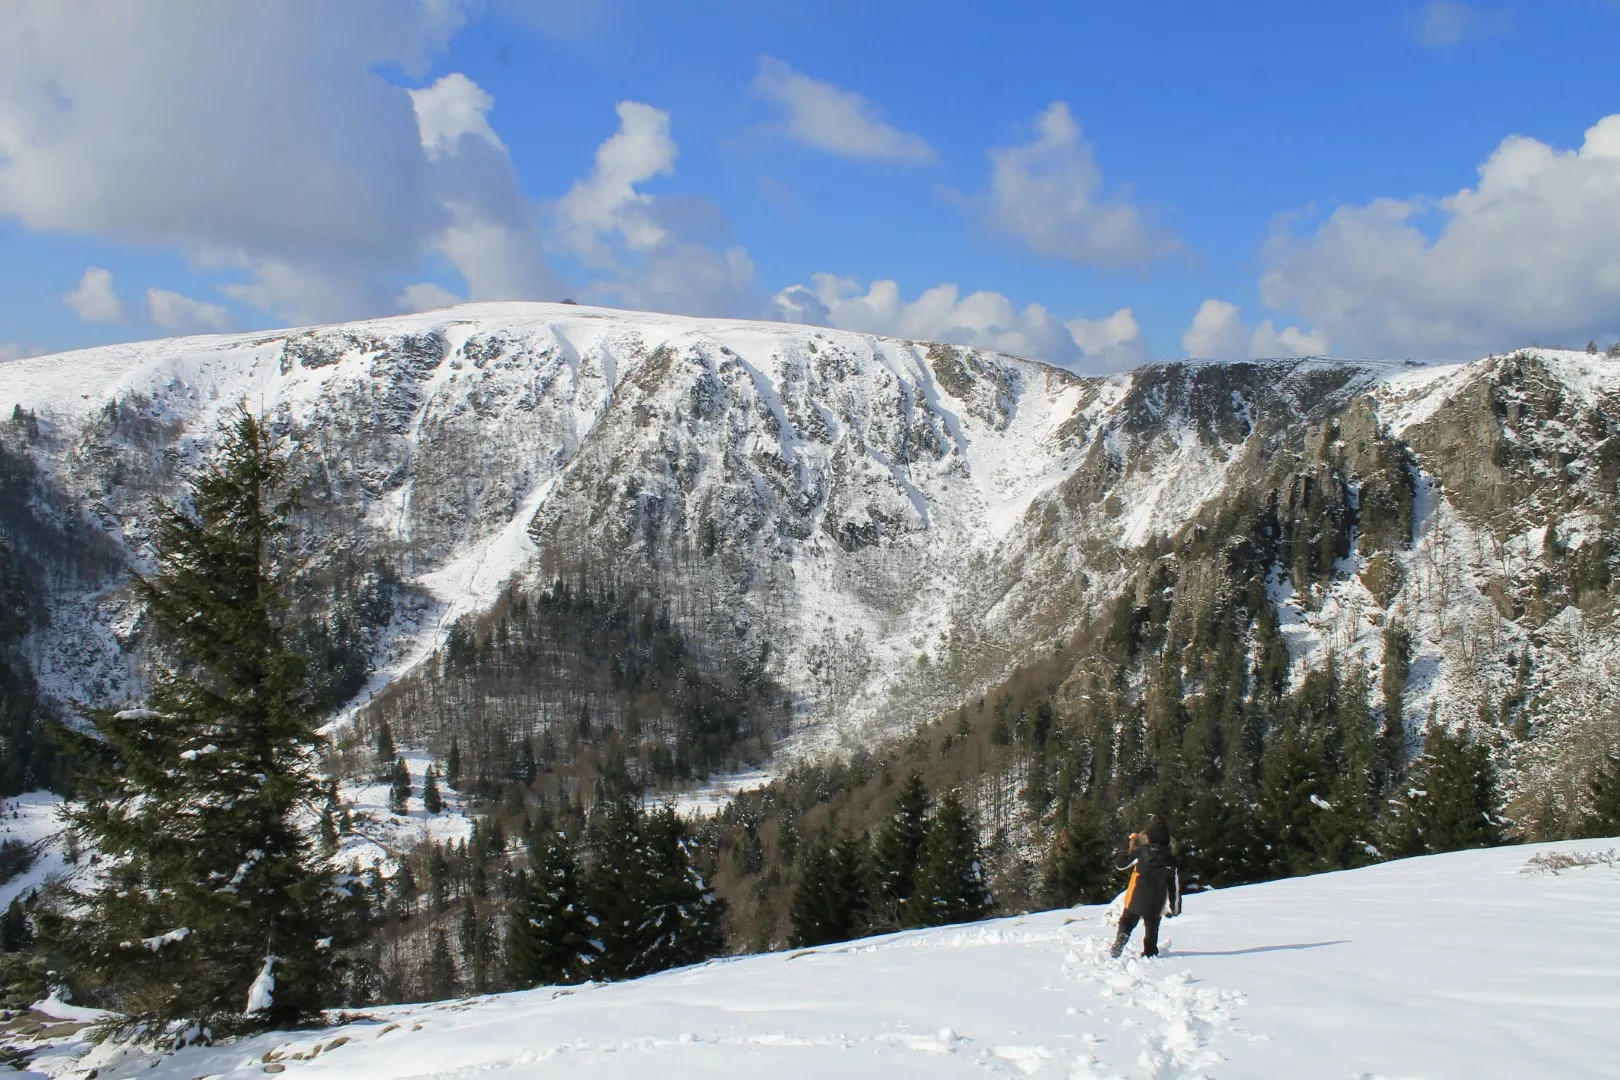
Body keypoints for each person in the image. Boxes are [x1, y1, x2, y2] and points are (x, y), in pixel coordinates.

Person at [1110, 818, 1181, 959]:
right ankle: (1150, 951)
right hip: (1156, 902)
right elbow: (1175, 888)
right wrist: (1175, 908)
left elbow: (1121, 865)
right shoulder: (1171, 861)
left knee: (1127, 921)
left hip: (1136, 897)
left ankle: (1122, 937)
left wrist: (1127, 843)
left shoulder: (1141, 853)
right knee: (1152, 927)